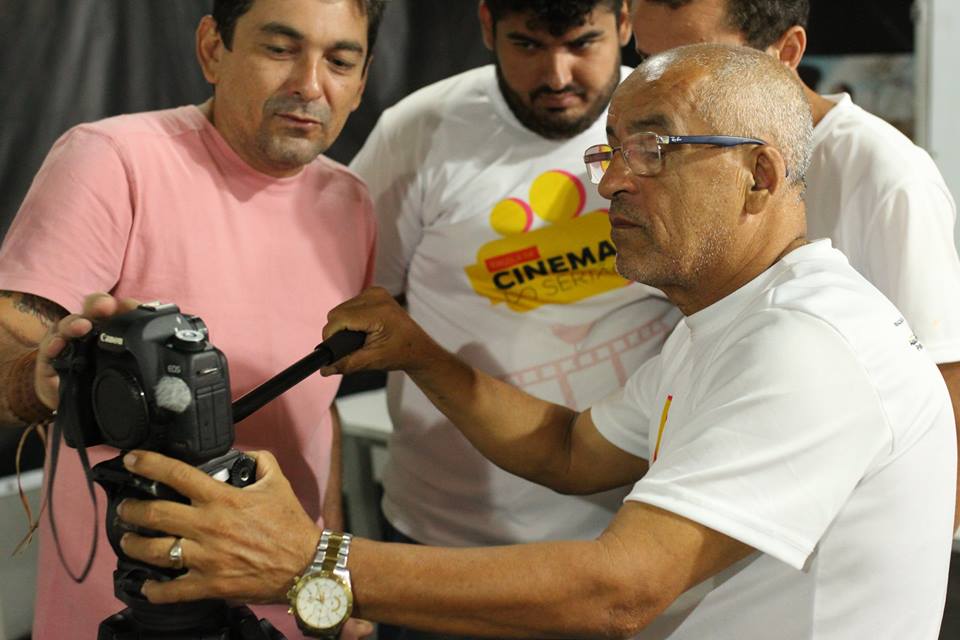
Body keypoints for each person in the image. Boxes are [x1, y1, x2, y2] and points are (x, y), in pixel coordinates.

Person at [114, 44, 956, 639]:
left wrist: (310, 558)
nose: (613, 181)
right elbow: (568, 449)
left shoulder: (806, 345)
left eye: (652, 149)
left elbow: (620, 590)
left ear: (760, 176)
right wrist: (420, 354)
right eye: (611, 152)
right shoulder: (725, 325)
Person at [0, 0, 384, 637]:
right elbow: (10, 344)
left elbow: (318, 410)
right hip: (129, 612)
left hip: (285, 602)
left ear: (363, 80)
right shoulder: (114, 160)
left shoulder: (352, 202)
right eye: (280, 49)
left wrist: (326, 580)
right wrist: (38, 377)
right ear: (212, 49)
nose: (310, 85)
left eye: (340, 62)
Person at [349, 0, 678, 613]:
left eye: (582, 44)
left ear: (625, 23)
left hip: (638, 535)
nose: (556, 75)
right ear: (485, 26)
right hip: (448, 541)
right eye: (528, 45)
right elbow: (363, 299)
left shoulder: (676, 123)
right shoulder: (418, 130)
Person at [629, 0, 960, 531]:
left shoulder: (886, 174)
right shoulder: (670, 160)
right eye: (647, 60)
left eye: (695, 59)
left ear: (786, 52)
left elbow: (943, 380)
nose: (659, 84)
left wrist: (918, 558)